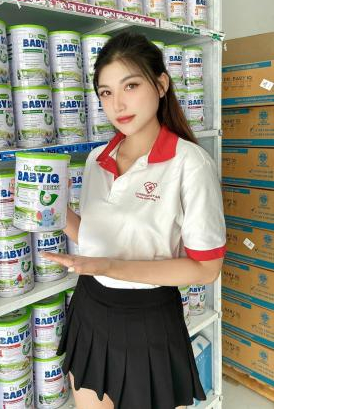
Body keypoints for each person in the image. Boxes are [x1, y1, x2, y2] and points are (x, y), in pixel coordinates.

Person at [43, 31, 226, 409]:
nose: (118, 104)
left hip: (148, 319)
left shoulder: (190, 163)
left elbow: (206, 269)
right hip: (89, 307)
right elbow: (92, 237)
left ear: (161, 85)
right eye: (106, 92)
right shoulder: (96, 160)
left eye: (130, 85)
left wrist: (109, 266)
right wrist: (50, 209)